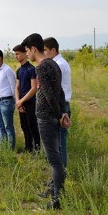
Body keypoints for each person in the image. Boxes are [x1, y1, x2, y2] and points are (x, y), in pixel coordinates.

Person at [21, 33, 70, 210]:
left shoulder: (41, 67)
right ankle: (55, 192)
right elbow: (61, 92)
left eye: (27, 51)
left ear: (34, 49)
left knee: (54, 160)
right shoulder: (53, 64)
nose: (27, 54)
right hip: (53, 117)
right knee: (56, 157)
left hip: (46, 118)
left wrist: (59, 115)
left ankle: (58, 200)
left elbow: (50, 95)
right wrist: (63, 113)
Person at [44, 37, 72, 168]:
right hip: (60, 105)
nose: (43, 53)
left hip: (61, 106)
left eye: (45, 50)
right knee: (57, 142)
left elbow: (55, 91)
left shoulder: (58, 64)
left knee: (60, 142)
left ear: (53, 50)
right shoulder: (58, 62)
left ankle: (62, 172)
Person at [13, 45, 40, 152]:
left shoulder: (32, 69)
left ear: (25, 53)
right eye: (15, 54)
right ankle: (28, 148)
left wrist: (21, 101)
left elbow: (34, 88)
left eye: (18, 53)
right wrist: (17, 102)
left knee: (32, 127)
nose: (16, 56)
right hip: (21, 103)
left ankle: (36, 150)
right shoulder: (19, 70)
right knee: (24, 127)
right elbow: (17, 87)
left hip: (30, 102)